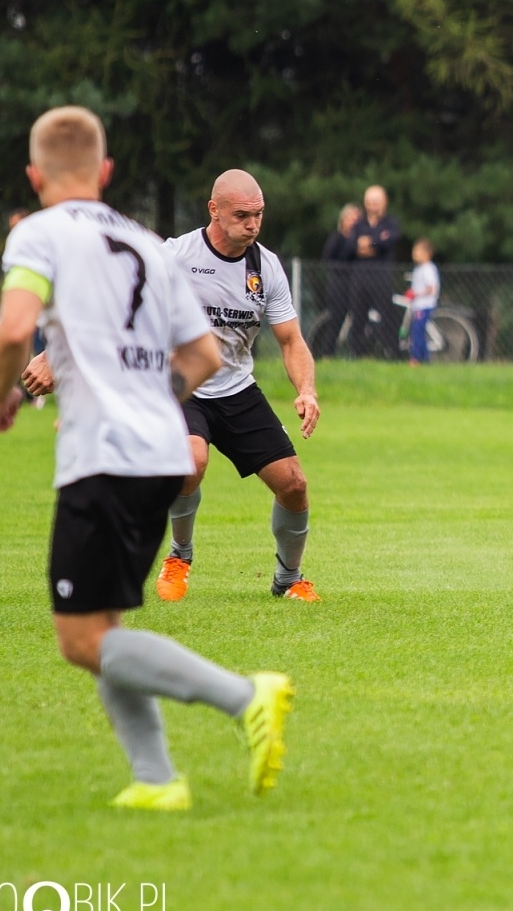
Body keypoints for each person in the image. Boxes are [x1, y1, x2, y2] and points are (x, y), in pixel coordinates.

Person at [0, 105, 292, 812]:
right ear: (106, 171)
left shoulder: (39, 233)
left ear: (34, 175)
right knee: (104, 626)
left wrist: (3, 394)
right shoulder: (148, 243)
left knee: (79, 640)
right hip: (157, 454)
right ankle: (156, 778)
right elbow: (202, 355)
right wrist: (150, 399)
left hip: (106, 456)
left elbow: (12, 329)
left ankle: (245, 696)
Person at [26, 170, 323, 602]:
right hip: (181, 383)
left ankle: (288, 578)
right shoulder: (176, 256)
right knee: (190, 460)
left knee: (294, 483)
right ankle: (179, 556)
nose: (253, 225)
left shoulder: (266, 267)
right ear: (214, 210)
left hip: (237, 389)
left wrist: (307, 390)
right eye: (242, 215)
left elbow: (291, 341)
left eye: (258, 215)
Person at [350, 185, 402, 356]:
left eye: (376, 201)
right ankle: (358, 354)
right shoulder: (358, 225)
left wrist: (369, 243)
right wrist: (375, 243)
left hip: (382, 276)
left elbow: (389, 242)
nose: (373, 205)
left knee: (387, 314)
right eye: (370, 201)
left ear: (385, 202)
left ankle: (392, 353)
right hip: (360, 277)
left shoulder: (391, 223)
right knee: (358, 315)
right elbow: (352, 245)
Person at [314, 203, 361, 358]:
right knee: (336, 318)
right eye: (351, 219)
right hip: (338, 282)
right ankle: (327, 353)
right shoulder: (336, 238)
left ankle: (357, 352)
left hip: (355, 282)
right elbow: (328, 259)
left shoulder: (359, 240)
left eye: (356, 220)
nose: (354, 223)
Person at [406, 238, 440, 365]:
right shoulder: (419, 269)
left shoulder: (428, 269)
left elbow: (431, 288)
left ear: (427, 254)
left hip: (425, 305)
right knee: (418, 331)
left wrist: (416, 294)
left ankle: (416, 358)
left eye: (417, 251)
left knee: (417, 331)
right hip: (418, 305)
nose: (414, 254)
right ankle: (425, 359)